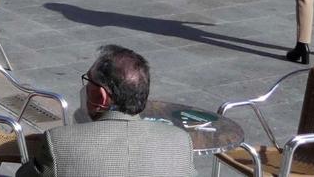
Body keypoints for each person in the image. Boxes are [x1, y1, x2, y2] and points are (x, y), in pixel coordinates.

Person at [17, 44, 193, 177]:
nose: (85, 87)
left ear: (102, 96)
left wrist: (39, 152)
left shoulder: (58, 141)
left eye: (88, 80)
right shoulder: (180, 141)